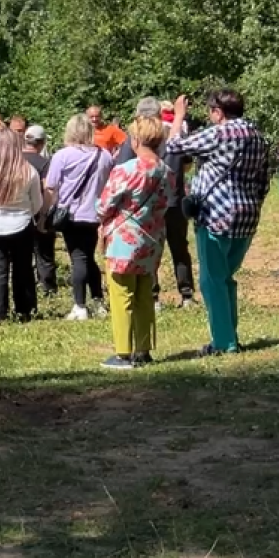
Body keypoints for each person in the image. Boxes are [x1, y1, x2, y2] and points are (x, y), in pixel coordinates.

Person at [166, 90, 272, 355]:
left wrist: (179, 116)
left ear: (218, 111)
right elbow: (263, 180)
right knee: (225, 277)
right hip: (247, 216)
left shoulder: (219, 134)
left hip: (216, 215)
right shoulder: (257, 136)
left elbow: (174, 147)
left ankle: (224, 343)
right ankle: (229, 336)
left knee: (212, 281)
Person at [98, 116, 174, 370]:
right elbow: (166, 203)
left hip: (124, 239)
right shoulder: (166, 171)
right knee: (144, 293)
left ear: (136, 139)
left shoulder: (126, 170)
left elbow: (104, 205)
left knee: (121, 294)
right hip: (152, 238)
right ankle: (143, 350)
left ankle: (122, 353)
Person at [114, 97, 196, 307]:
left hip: (147, 202)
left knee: (149, 246)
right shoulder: (173, 134)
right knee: (179, 247)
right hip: (174, 198)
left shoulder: (135, 139)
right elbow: (187, 163)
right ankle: (187, 294)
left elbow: (123, 168)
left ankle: (153, 297)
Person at [0, 128, 45, 323]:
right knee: (23, 270)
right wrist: (27, 212)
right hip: (21, 224)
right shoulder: (28, 171)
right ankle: (25, 310)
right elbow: (37, 203)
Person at [46, 114, 114, 321]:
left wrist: (45, 214)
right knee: (88, 256)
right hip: (95, 214)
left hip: (71, 215)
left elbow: (51, 186)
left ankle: (80, 305)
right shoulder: (104, 155)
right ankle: (98, 300)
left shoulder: (62, 155)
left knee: (78, 258)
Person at [23, 125, 60, 295]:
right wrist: (45, 214)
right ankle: (47, 286)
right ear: (42, 143)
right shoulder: (45, 163)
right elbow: (48, 189)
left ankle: (25, 285)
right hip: (39, 210)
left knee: (23, 253)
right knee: (44, 252)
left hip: (19, 211)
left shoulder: (15, 160)